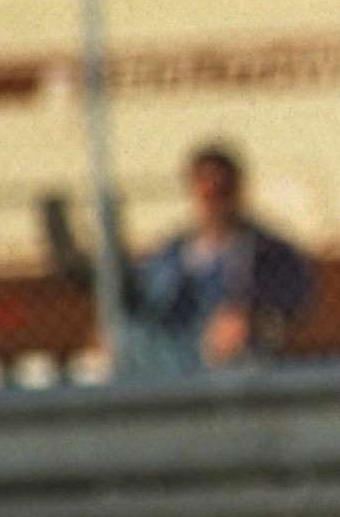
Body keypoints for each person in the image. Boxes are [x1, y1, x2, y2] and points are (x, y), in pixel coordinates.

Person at [121, 144, 315, 375]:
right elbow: (141, 307)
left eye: (222, 192)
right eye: (207, 193)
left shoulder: (271, 255)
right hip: (173, 371)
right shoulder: (168, 257)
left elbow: (294, 306)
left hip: (242, 373)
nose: (214, 203)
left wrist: (250, 319)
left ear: (239, 191)